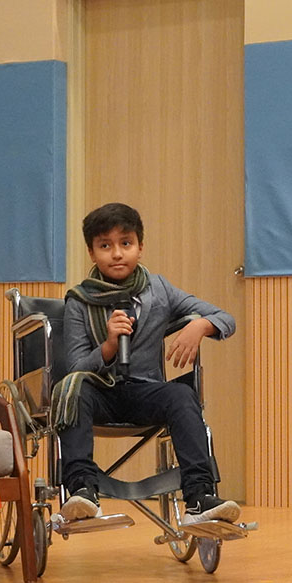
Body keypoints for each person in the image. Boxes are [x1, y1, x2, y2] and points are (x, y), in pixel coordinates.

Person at [52, 202, 241, 525]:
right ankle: (82, 491)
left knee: (182, 395)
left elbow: (226, 318)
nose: (117, 254)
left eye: (126, 243)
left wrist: (199, 325)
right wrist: (109, 346)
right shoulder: (79, 300)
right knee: (74, 390)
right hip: (99, 394)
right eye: (105, 246)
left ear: (140, 247)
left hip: (144, 392)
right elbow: (76, 367)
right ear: (92, 253)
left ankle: (199, 496)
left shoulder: (159, 289)